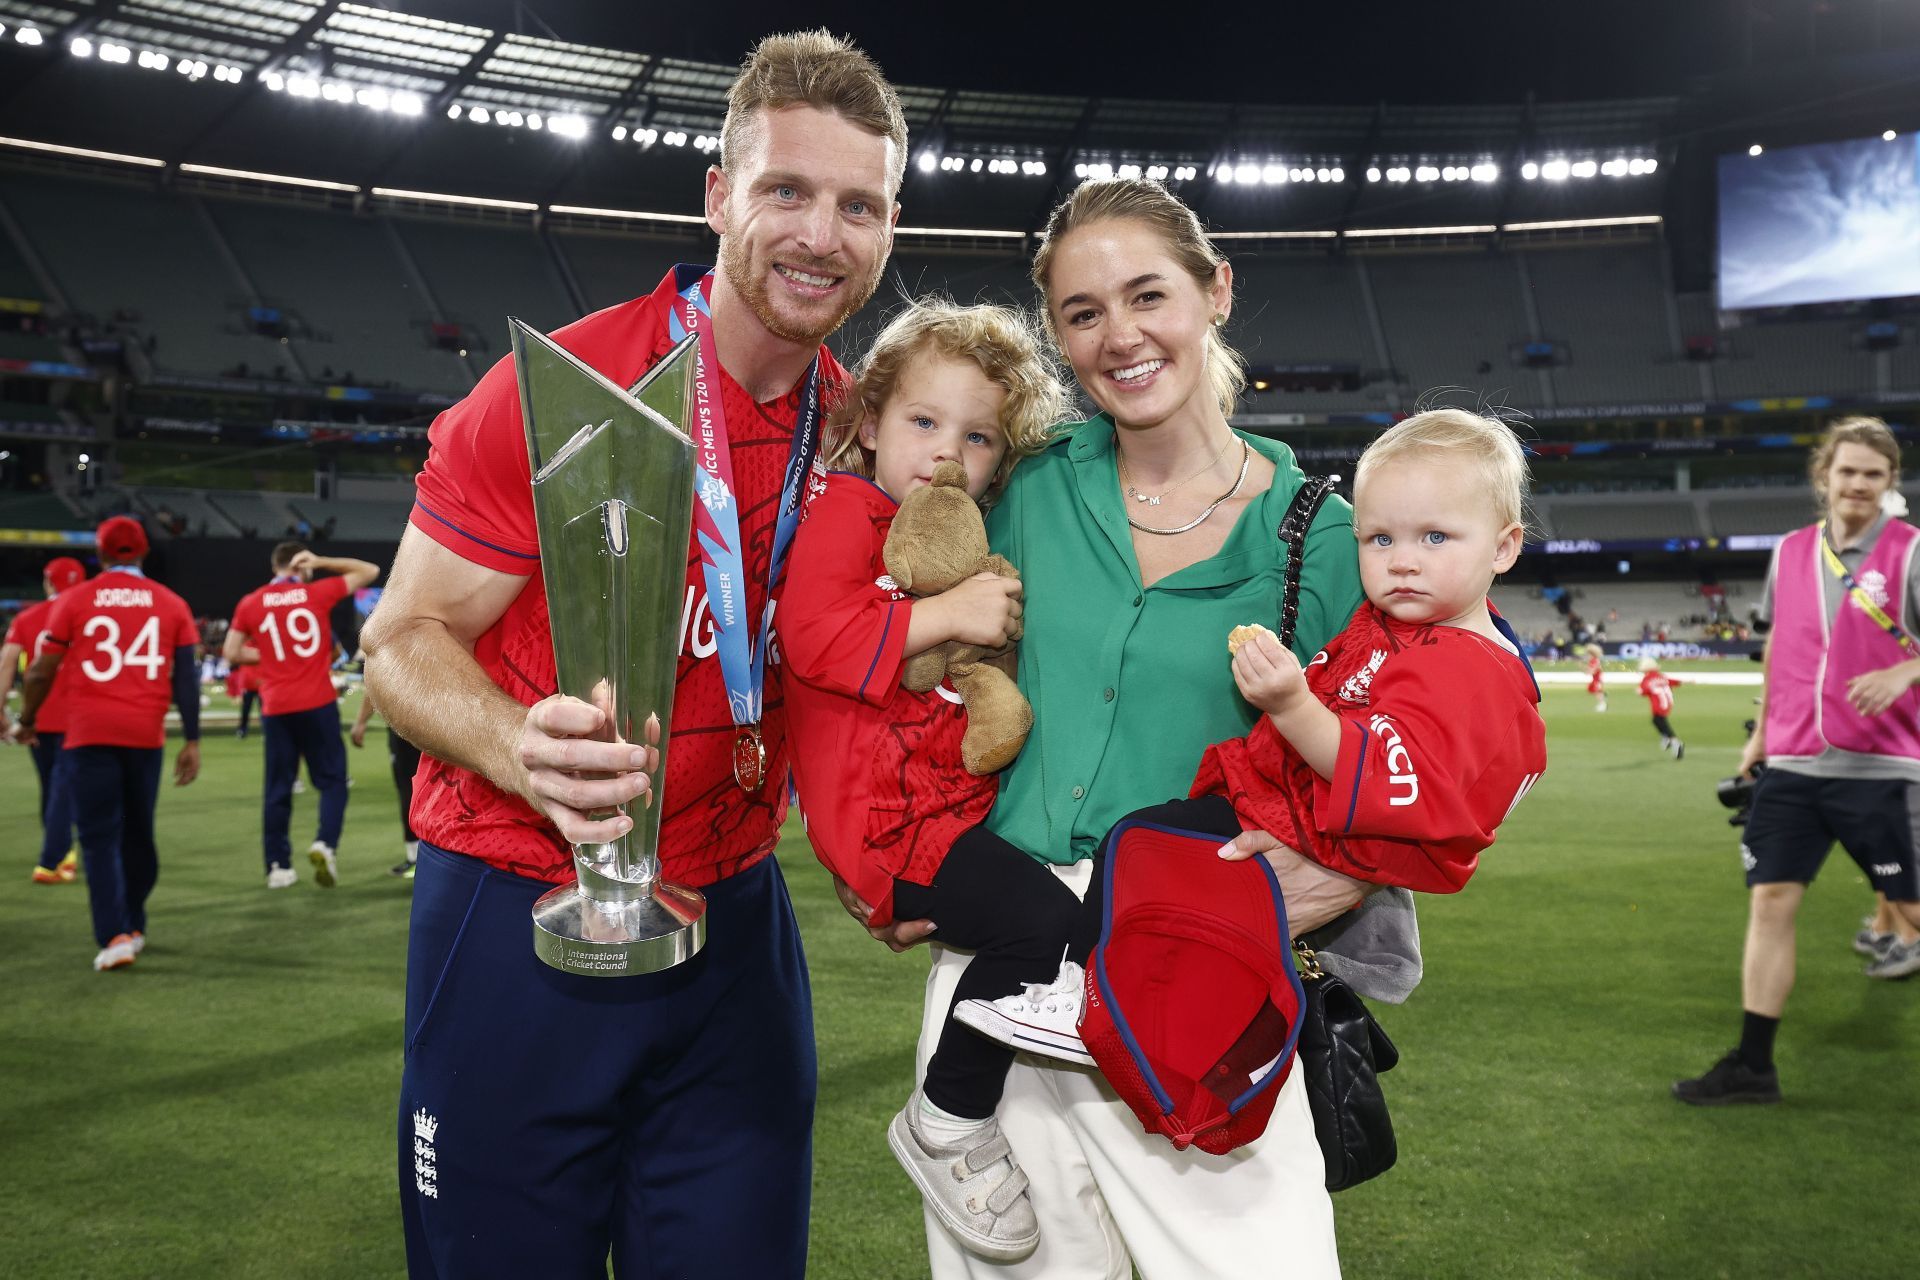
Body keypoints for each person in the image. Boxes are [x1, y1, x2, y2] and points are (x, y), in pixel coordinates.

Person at [358, 30, 905, 1278]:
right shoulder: (557, 388)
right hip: (519, 905)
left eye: (859, 205)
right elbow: (399, 639)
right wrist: (513, 742)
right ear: (717, 195)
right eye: (787, 190)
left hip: (738, 927)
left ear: (887, 228)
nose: (822, 234)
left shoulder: (862, 428)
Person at [834, 177, 1369, 1280]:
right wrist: (880, 841)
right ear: (1061, 337)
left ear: (1215, 291)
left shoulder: (1326, 535)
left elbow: (1437, 743)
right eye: (1083, 312)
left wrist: (1339, 872)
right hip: (1002, 961)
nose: (1119, 335)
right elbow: (862, 630)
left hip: (1194, 968)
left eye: (1147, 294)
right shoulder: (1015, 483)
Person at [957, 409, 1547, 1078]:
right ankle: (1095, 1001)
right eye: (1379, 539)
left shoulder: (1466, 666)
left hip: (1302, 831)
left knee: (1152, 856)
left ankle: (1094, 1003)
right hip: (1283, 816)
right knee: (1148, 853)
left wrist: (1291, 703)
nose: (1403, 562)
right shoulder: (1414, 629)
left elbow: (1382, 772)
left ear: (1503, 548)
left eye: (1435, 537)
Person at [780, 299, 1071, 1260]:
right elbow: (814, 640)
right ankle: (948, 1116)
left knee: (1063, 928)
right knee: (1049, 926)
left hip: (930, 813)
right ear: (868, 423)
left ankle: (962, 1107)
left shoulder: (937, 533)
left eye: (978, 436)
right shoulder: (846, 512)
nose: (948, 454)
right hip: (885, 825)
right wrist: (949, 613)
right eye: (923, 422)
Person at [1675, 417, 1920, 1108]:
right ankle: (1753, 1066)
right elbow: (1782, 639)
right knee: (1772, 904)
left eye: (1874, 474)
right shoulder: (1789, 552)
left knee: (1910, 904)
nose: (1859, 485)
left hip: (1883, 768)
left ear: (1889, 482)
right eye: (1847, 471)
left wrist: (1907, 673)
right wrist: (1759, 740)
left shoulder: (1911, 552)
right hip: (1792, 765)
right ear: (1825, 476)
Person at [14, 517, 201, 971]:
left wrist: (26, 719)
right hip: (144, 734)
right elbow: (187, 680)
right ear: (143, 553)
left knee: (98, 839)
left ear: (99, 554)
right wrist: (192, 739)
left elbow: (40, 670)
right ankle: (135, 923)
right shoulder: (172, 603)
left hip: (88, 734)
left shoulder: (75, 599)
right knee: (139, 834)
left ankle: (114, 934)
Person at [223, 543, 380, 889]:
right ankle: (325, 843)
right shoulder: (315, 593)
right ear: (301, 565)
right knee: (332, 781)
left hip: (277, 705)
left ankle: (278, 867)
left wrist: (268, 655)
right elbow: (369, 571)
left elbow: (231, 651)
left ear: (274, 565)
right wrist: (322, 561)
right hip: (317, 701)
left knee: (278, 787)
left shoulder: (251, 602)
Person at [1, 555, 88, 883]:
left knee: (52, 787)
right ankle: (53, 859)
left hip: (38, 718)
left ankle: (63, 856)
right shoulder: (88, 617)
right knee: (65, 790)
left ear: (48, 581)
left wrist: (1, 711)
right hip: (79, 719)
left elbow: (7, 664)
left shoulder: (26, 618)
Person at [348, 659, 424, 878]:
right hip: (434, 721)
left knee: (407, 788)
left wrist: (361, 721)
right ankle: (427, 855)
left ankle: (415, 857)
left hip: (404, 724)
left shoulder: (395, 634)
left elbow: (376, 680)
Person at [1637, 656, 1684, 759]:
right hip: (1668, 704)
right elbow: (1674, 682)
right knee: (1657, 721)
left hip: (1657, 705)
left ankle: (1674, 741)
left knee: (1660, 722)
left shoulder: (1647, 678)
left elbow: (1643, 691)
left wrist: (1639, 691)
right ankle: (1667, 738)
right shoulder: (1661, 676)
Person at [1585, 642, 1608, 711]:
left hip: (1597, 679)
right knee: (1595, 691)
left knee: (1597, 692)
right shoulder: (1592, 660)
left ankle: (1602, 705)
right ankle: (1603, 700)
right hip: (1595, 679)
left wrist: (1589, 671)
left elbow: (1594, 669)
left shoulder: (1595, 660)